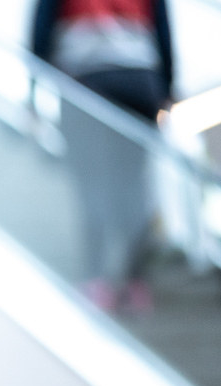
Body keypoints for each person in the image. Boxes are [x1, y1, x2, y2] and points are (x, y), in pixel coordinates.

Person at [32, 0, 176, 311]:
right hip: (141, 81)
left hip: (86, 79)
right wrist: (167, 88)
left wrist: (33, 88)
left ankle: (96, 281)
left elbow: (42, 25)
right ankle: (135, 283)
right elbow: (163, 29)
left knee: (91, 183)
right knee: (133, 187)